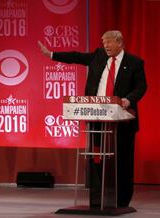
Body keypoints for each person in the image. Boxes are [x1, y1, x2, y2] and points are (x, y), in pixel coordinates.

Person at [38, 30, 147, 207]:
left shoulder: (134, 62)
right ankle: (98, 198)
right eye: (104, 43)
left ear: (119, 43)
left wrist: (129, 99)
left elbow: (142, 86)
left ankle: (122, 200)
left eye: (109, 43)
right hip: (97, 117)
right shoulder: (98, 56)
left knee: (123, 161)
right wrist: (51, 54)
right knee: (97, 158)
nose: (105, 46)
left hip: (122, 121)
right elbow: (77, 57)